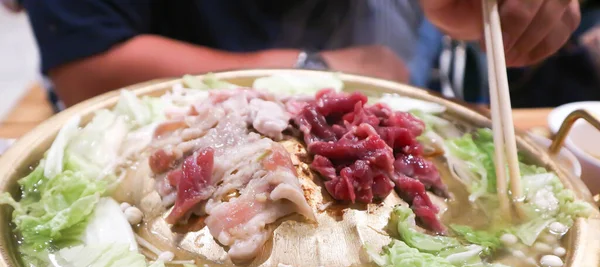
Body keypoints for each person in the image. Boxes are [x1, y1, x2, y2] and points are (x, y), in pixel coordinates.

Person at [17, 0, 581, 108]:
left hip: (411, 89)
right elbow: (87, 72)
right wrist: (312, 71)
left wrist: (491, 14)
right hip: (162, 116)